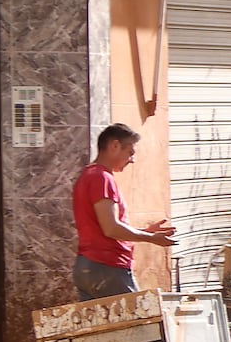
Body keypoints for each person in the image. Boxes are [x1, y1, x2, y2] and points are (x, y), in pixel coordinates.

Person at [68, 122, 173, 301]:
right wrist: (151, 239)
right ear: (114, 146)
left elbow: (102, 226)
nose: (132, 159)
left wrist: (144, 232)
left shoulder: (88, 176)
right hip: (107, 268)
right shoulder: (102, 178)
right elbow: (111, 228)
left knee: (101, 329)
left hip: (87, 268)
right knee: (139, 325)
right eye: (130, 152)